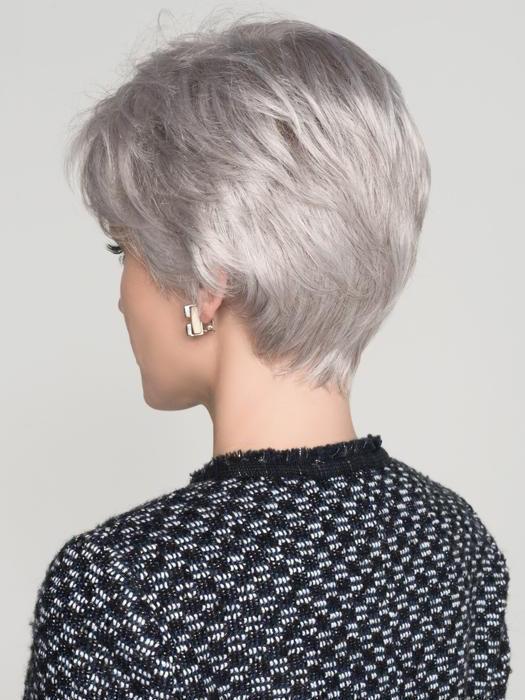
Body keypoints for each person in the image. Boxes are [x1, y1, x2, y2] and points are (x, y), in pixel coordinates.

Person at [23, 13, 511, 699]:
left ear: (208, 281)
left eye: (122, 250)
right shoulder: (454, 544)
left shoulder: (120, 587)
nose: (121, 299)